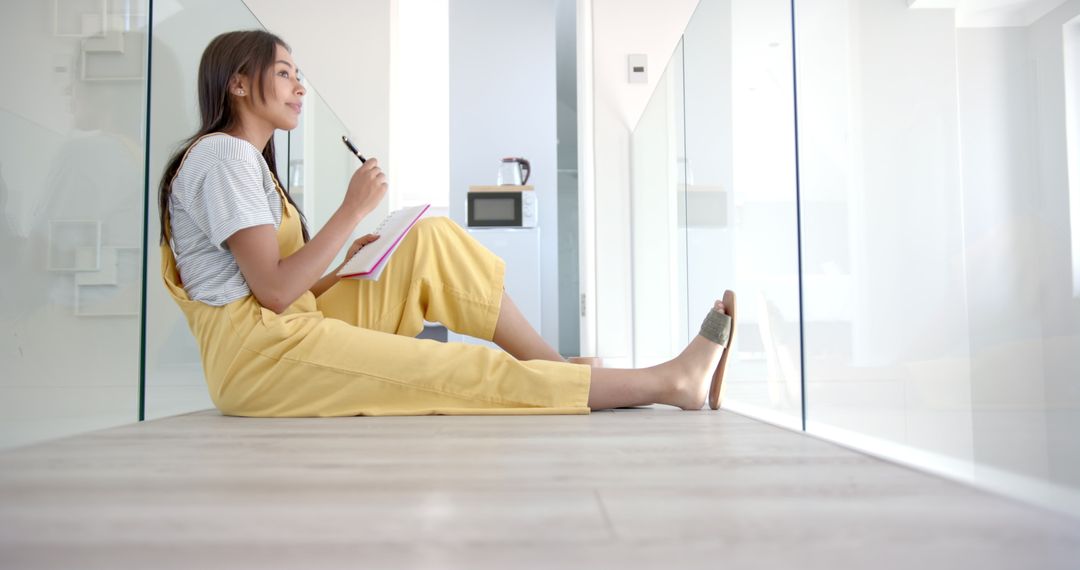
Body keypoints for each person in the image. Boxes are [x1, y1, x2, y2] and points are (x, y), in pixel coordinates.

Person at [158, 30, 736, 417]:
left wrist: (347, 264)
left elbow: (285, 288)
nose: (299, 86)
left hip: (284, 325)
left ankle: (552, 369)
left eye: (297, 74)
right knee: (455, 368)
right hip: (258, 356)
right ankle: (667, 383)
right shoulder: (221, 155)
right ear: (238, 83)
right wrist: (350, 211)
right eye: (284, 73)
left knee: (428, 239)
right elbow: (275, 292)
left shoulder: (246, 163)